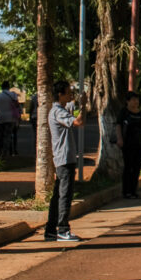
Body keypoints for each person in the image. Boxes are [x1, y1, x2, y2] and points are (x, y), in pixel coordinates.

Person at [44, 80, 84, 243]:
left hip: (63, 157)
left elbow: (72, 113)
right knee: (64, 195)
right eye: (68, 92)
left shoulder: (61, 109)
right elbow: (78, 122)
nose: (70, 95)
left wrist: (77, 103)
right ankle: (62, 229)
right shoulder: (57, 112)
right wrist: (84, 107)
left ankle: (51, 230)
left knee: (58, 195)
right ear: (60, 94)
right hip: (63, 157)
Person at [116, 91, 141, 199]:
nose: (136, 102)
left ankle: (133, 190)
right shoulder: (124, 112)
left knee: (136, 168)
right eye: (133, 99)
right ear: (127, 101)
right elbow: (118, 125)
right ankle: (126, 191)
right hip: (127, 144)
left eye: (137, 99)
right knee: (128, 167)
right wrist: (119, 138)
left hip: (139, 144)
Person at [0, 81, 18, 157]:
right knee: (8, 135)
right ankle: (6, 151)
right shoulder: (13, 95)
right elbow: (17, 105)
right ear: (8, 87)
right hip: (10, 118)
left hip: (0, 117)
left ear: (2, 87)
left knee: (0, 135)